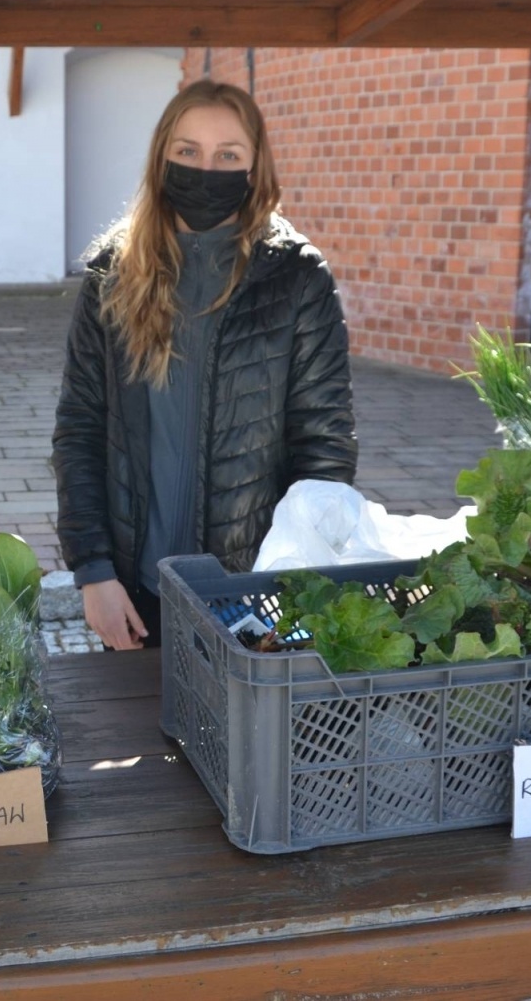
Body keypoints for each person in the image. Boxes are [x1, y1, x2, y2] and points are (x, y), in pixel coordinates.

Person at [52, 80, 358, 651]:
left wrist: (294, 586)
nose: (205, 168)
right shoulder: (112, 274)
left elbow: (325, 450)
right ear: (162, 156)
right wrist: (94, 570)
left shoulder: (296, 278)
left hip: (254, 594)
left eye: (228, 155)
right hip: (136, 589)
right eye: (188, 151)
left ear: (255, 166)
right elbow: (80, 430)